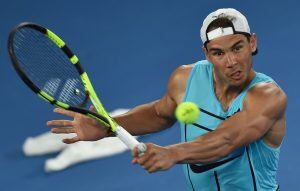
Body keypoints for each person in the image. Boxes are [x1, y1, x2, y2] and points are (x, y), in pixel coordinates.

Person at [47, 8, 287, 191]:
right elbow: (159, 115)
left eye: (238, 48)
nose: (231, 61)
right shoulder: (185, 78)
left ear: (252, 43)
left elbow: (226, 140)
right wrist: (108, 125)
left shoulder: (268, 96)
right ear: (206, 54)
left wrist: (172, 153)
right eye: (219, 53)